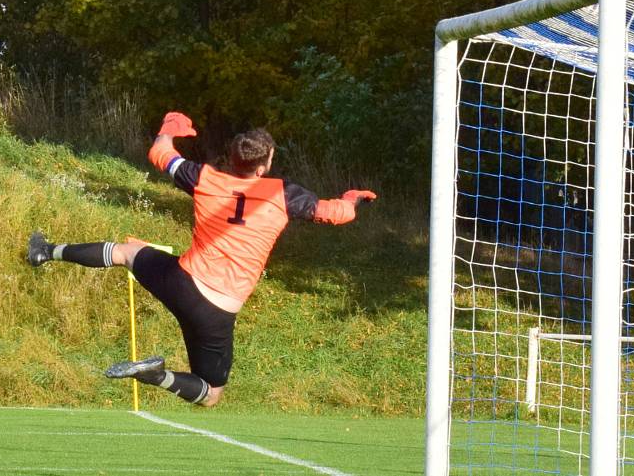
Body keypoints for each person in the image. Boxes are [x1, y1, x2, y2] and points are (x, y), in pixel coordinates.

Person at [26, 112, 376, 407]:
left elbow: (161, 152)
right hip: (217, 311)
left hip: (182, 281)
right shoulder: (282, 193)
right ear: (265, 164)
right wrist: (353, 197)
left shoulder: (204, 178)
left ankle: (47, 252)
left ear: (233, 157)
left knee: (126, 252)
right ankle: (157, 376)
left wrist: (170, 126)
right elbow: (336, 213)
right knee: (211, 393)